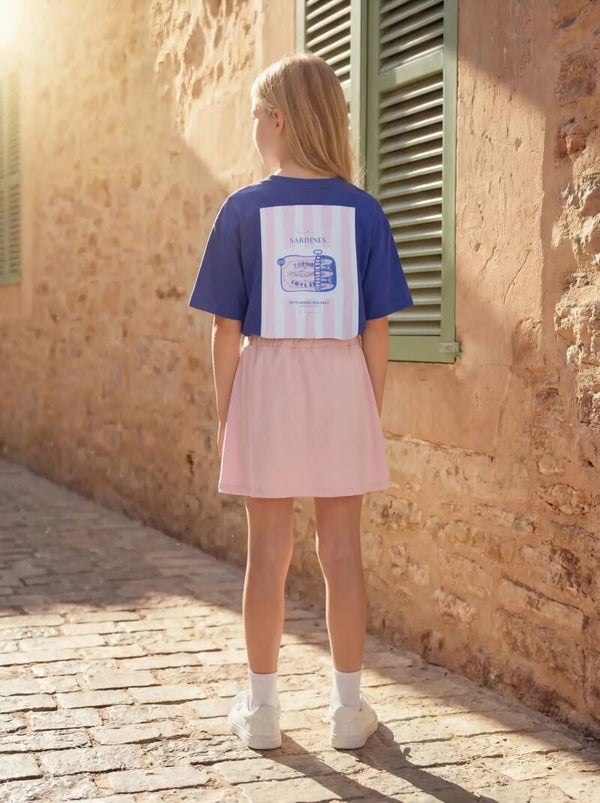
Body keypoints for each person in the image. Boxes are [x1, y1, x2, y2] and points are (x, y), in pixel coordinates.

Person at [187, 52, 414, 751]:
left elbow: (225, 331)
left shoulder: (241, 208)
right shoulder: (364, 210)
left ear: (279, 120)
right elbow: (378, 329)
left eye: (256, 114)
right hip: (342, 377)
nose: (253, 127)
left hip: (267, 381)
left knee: (268, 551)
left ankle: (261, 711)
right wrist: (367, 409)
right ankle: (347, 711)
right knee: (343, 550)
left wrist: (228, 413)